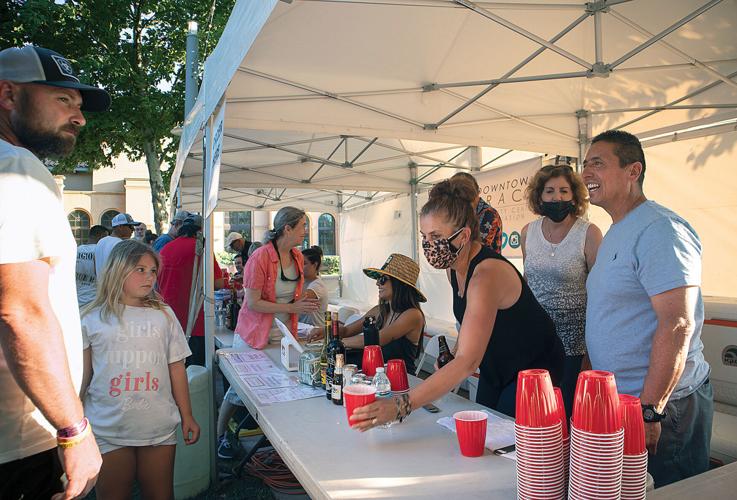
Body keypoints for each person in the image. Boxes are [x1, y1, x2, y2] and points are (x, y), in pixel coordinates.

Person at [352, 178, 563, 429]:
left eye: (436, 236)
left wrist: (401, 406)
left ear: (463, 235)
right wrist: (453, 355)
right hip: (496, 368)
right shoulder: (453, 269)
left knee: (509, 447)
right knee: (483, 438)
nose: (429, 245)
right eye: (424, 236)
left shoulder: (486, 275)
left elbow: (468, 362)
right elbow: (471, 327)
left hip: (535, 373)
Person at [0, 44, 110, 500]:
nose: (79, 117)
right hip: (19, 439)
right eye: (62, 100)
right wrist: (73, 430)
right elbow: (21, 312)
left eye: (80, 106)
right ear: (8, 95)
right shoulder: (16, 168)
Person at [582, 130, 712, 487]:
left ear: (633, 170)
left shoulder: (659, 229)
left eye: (598, 163)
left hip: (664, 409)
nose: (585, 173)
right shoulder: (616, 231)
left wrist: (650, 410)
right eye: (584, 164)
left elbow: (677, 323)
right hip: (623, 403)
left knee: (671, 491)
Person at [80, 240, 199, 499]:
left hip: (157, 426)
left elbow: (176, 368)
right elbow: (84, 376)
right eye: (140, 269)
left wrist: (187, 415)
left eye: (153, 270)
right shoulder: (92, 318)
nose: (149, 277)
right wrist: (74, 423)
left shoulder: (164, 315)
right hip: (107, 426)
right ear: (117, 270)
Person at [521, 164, 602, 416]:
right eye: (550, 191)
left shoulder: (589, 233)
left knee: (565, 412)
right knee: (535, 410)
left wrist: (591, 350)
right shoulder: (528, 232)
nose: (557, 197)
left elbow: (601, 292)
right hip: (535, 338)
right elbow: (526, 282)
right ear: (539, 196)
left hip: (574, 343)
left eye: (564, 191)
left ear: (574, 196)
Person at [311, 253, 426, 373]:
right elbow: (347, 331)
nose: (377, 283)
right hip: (377, 377)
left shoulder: (413, 315)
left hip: (402, 380)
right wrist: (325, 332)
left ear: (399, 284)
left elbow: (376, 339)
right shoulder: (380, 311)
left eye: (382, 279)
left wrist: (337, 343)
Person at [235, 207, 319, 349]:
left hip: (284, 336)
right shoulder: (260, 257)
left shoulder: (297, 256)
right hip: (255, 337)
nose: (305, 231)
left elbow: (291, 294)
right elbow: (253, 303)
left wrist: (304, 303)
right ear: (288, 229)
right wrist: (292, 307)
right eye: (303, 225)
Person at [158, 214, 224, 366]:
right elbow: (218, 283)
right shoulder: (200, 249)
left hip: (168, 318)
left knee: (174, 368)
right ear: (200, 231)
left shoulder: (166, 249)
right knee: (196, 373)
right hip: (194, 321)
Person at [451, 171, 503, 253]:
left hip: (484, 264)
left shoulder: (489, 214)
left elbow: (475, 249)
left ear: (477, 192)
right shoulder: (458, 211)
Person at [95, 212, 141, 278]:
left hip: (102, 286)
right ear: (120, 227)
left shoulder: (101, 241)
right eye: (130, 226)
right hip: (116, 286)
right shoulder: (121, 244)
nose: (133, 229)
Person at [75, 224, 110, 308]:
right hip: (95, 302)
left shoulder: (77, 250)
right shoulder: (101, 251)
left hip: (77, 300)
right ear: (101, 236)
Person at [300, 246, 329, 328]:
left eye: (304, 263)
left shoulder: (317, 285)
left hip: (315, 332)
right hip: (303, 330)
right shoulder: (301, 282)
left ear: (315, 265)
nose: (299, 267)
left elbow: (296, 298)